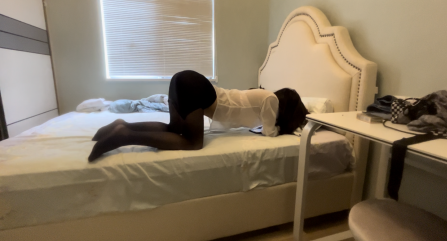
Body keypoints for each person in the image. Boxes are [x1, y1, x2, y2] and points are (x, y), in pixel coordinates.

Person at [88, 70, 309, 162]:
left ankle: (123, 125)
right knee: (192, 143)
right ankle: (125, 136)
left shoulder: (262, 97)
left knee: (174, 129)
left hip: (184, 80)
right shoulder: (271, 99)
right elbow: (270, 132)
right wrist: (284, 127)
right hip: (196, 88)